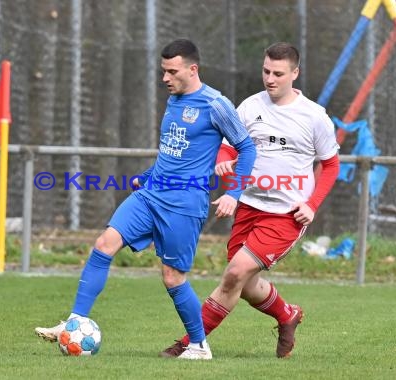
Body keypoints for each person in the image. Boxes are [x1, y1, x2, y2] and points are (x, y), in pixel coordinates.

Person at [35, 38, 256, 360]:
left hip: (184, 202)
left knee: (172, 277)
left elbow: (247, 148)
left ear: (192, 69)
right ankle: (75, 320)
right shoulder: (174, 100)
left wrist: (234, 193)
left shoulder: (216, 104)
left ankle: (198, 346)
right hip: (151, 194)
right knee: (104, 244)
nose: (165, 78)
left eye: (172, 71)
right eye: (163, 71)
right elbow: (174, 151)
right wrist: (148, 174)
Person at [160, 42, 340, 359]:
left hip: (286, 215)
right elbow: (230, 147)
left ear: (295, 73)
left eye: (278, 74)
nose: (270, 79)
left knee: (234, 274)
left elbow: (331, 165)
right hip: (248, 207)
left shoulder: (314, 117)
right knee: (243, 283)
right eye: (266, 71)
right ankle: (287, 315)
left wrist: (311, 205)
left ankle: (191, 343)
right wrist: (224, 161)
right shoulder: (248, 106)